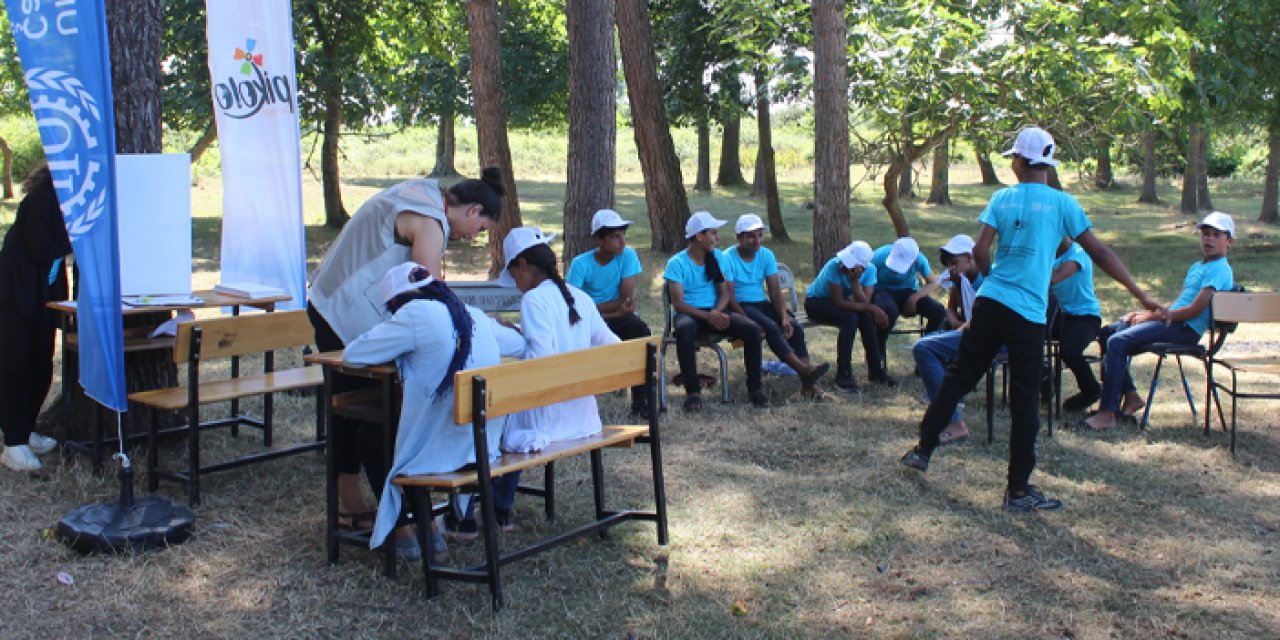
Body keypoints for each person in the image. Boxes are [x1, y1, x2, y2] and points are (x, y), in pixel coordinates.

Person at [899, 126, 1160, 512]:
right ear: (1047, 164)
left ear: (1020, 161)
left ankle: (923, 449)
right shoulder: (1063, 204)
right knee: (1024, 397)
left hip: (990, 303)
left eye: (1013, 159)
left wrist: (991, 278)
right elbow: (1100, 253)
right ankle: (1018, 490)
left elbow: (980, 250)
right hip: (1028, 314)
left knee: (959, 378)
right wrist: (1141, 295)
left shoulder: (1002, 199)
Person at [308, 169, 504, 533]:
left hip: (338, 300)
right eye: (478, 231)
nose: (471, 238)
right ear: (473, 210)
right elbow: (428, 290)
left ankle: (377, 506)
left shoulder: (427, 194)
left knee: (362, 409)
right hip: (338, 308)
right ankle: (351, 505)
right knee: (353, 407)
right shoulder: (431, 220)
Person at [437, 227, 620, 539]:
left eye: (514, 275)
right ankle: (497, 508)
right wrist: (525, 332)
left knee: (486, 418)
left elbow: (540, 367)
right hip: (584, 417)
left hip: (548, 422)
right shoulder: (580, 297)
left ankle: (467, 514)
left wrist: (518, 342)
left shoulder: (535, 300)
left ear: (522, 265)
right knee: (505, 414)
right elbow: (614, 347)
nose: (517, 286)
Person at [343, 262, 524, 557]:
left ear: (398, 302)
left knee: (374, 437)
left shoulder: (415, 315)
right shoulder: (472, 314)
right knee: (410, 431)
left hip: (443, 453)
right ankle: (429, 529)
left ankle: (404, 532)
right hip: (480, 448)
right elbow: (518, 343)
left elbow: (355, 353)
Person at [1082, 212, 1234, 431]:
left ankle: (1107, 413)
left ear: (1228, 241)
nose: (1208, 239)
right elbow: (1178, 304)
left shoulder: (1220, 270)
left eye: (1216, 235)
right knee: (1108, 333)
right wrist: (1146, 315)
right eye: (1205, 234)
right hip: (1174, 322)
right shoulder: (1198, 267)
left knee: (1117, 342)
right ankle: (1131, 397)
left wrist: (1159, 317)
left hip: (1186, 330)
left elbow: (1193, 310)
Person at [0, 163, 71, 472]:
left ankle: (26, 429)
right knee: (16, 365)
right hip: (16, 293)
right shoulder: (42, 198)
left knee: (41, 365)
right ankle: (13, 444)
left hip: (43, 296)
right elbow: (41, 250)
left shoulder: (65, 199)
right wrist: (82, 236)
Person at [664, 211, 768, 412]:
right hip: (691, 313)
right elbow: (678, 304)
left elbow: (725, 295)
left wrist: (716, 312)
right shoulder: (677, 263)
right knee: (684, 328)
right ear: (699, 236)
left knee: (752, 329)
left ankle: (755, 389)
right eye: (713, 233)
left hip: (716, 310)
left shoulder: (719, 257)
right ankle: (693, 392)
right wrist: (707, 316)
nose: (717, 238)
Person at [722, 214, 830, 399]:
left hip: (761, 303)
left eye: (759, 235)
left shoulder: (766, 254)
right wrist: (749, 321)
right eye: (750, 236)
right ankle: (804, 371)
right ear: (739, 237)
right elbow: (730, 297)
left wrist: (784, 316)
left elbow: (774, 291)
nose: (756, 241)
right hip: (739, 306)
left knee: (795, 328)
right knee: (771, 328)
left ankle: (808, 384)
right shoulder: (727, 257)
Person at [566, 209, 652, 417]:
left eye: (623, 236)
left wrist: (596, 308)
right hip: (587, 322)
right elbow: (572, 307)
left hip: (614, 318)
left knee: (640, 332)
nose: (622, 242)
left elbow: (626, 301)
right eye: (615, 237)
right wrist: (611, 310)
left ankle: (641, 402)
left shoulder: (628, 256)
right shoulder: (580, 264)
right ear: (599, 239)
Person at [910, 234, 984, 445]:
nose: (951, 268)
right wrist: (955, 323)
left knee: (924, 348)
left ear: (970, 258)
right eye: (948, 264)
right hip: (972, 332)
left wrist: (962, 328)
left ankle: (953, 420)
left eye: (955, 262)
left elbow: (986, 317)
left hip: (988, 337)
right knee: (929, 342)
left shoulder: (985, 279)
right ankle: (949, 403)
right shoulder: (961, 279)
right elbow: (951, 309)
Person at [804, 241, 892, 393]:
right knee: (849, 318)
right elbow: (839, 302)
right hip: (816, 303)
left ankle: (876, 370)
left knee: (865, 319)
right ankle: (843, 375)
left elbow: (865, 302)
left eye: (850, 264)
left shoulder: (870, 271)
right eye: (845, 260)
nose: (844, 265)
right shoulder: (833, 266)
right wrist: (872, 308)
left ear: (862, 268)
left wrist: (855, 283)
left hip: (839, 304)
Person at [869, 236, 947, 383]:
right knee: (888, 311)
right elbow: (865, 279)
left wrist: (915, 298)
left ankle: (926, 358)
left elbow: (933, 282)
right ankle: (876, 365)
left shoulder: (919, 259)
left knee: (938, 311)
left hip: (908, 292)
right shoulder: (880, 255)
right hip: (882, 292)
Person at [1048, 238, 1103, 413]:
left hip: (1085, 317)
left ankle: (1092, 390)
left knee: (1069, 351)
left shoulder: (1078, 254)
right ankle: (1043, 385)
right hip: (1061, 316)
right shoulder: (1048, 254)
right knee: (1029, 337)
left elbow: (1055, 277)